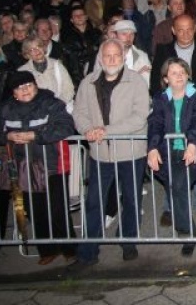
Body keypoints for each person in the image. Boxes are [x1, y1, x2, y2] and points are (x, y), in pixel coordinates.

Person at [68, 39, 150, 271]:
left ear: (123, 57)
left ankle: (128, 241)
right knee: (94, 202)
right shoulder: (88, 82)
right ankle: (88, 251)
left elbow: (139, 116)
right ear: (101, 58)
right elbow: (79, 112)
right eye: (107, 56)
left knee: (132, 200)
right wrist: (87, 130)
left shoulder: (136, 82)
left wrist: (106, 131)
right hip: (100, 153)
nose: (112, 60)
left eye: (116, 55)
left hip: (130, 151)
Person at [0, 71, 77, 265]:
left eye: (28, 85)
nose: (25, 90)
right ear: (13, 92)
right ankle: (47, 249)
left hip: (52, 164)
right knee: (35, 209)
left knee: (58, 209)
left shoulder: (51, 103)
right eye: (19, 87)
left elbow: (66, 126)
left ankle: (70, 248)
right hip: (23, 166)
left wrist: (35, 136)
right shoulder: (5, 108)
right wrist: (6, 137)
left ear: (36, 86)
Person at [146, 57, 196, 257]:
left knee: (179, 187)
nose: (179, 76)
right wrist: (152, 147)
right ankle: (186, 228)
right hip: (167, 151)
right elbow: (155, 122)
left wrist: (192, 143)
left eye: (182, 72)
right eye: (174, 73)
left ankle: (188, 234)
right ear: (165, 78)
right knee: (173, 189)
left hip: (191, 151)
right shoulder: (160, 98)